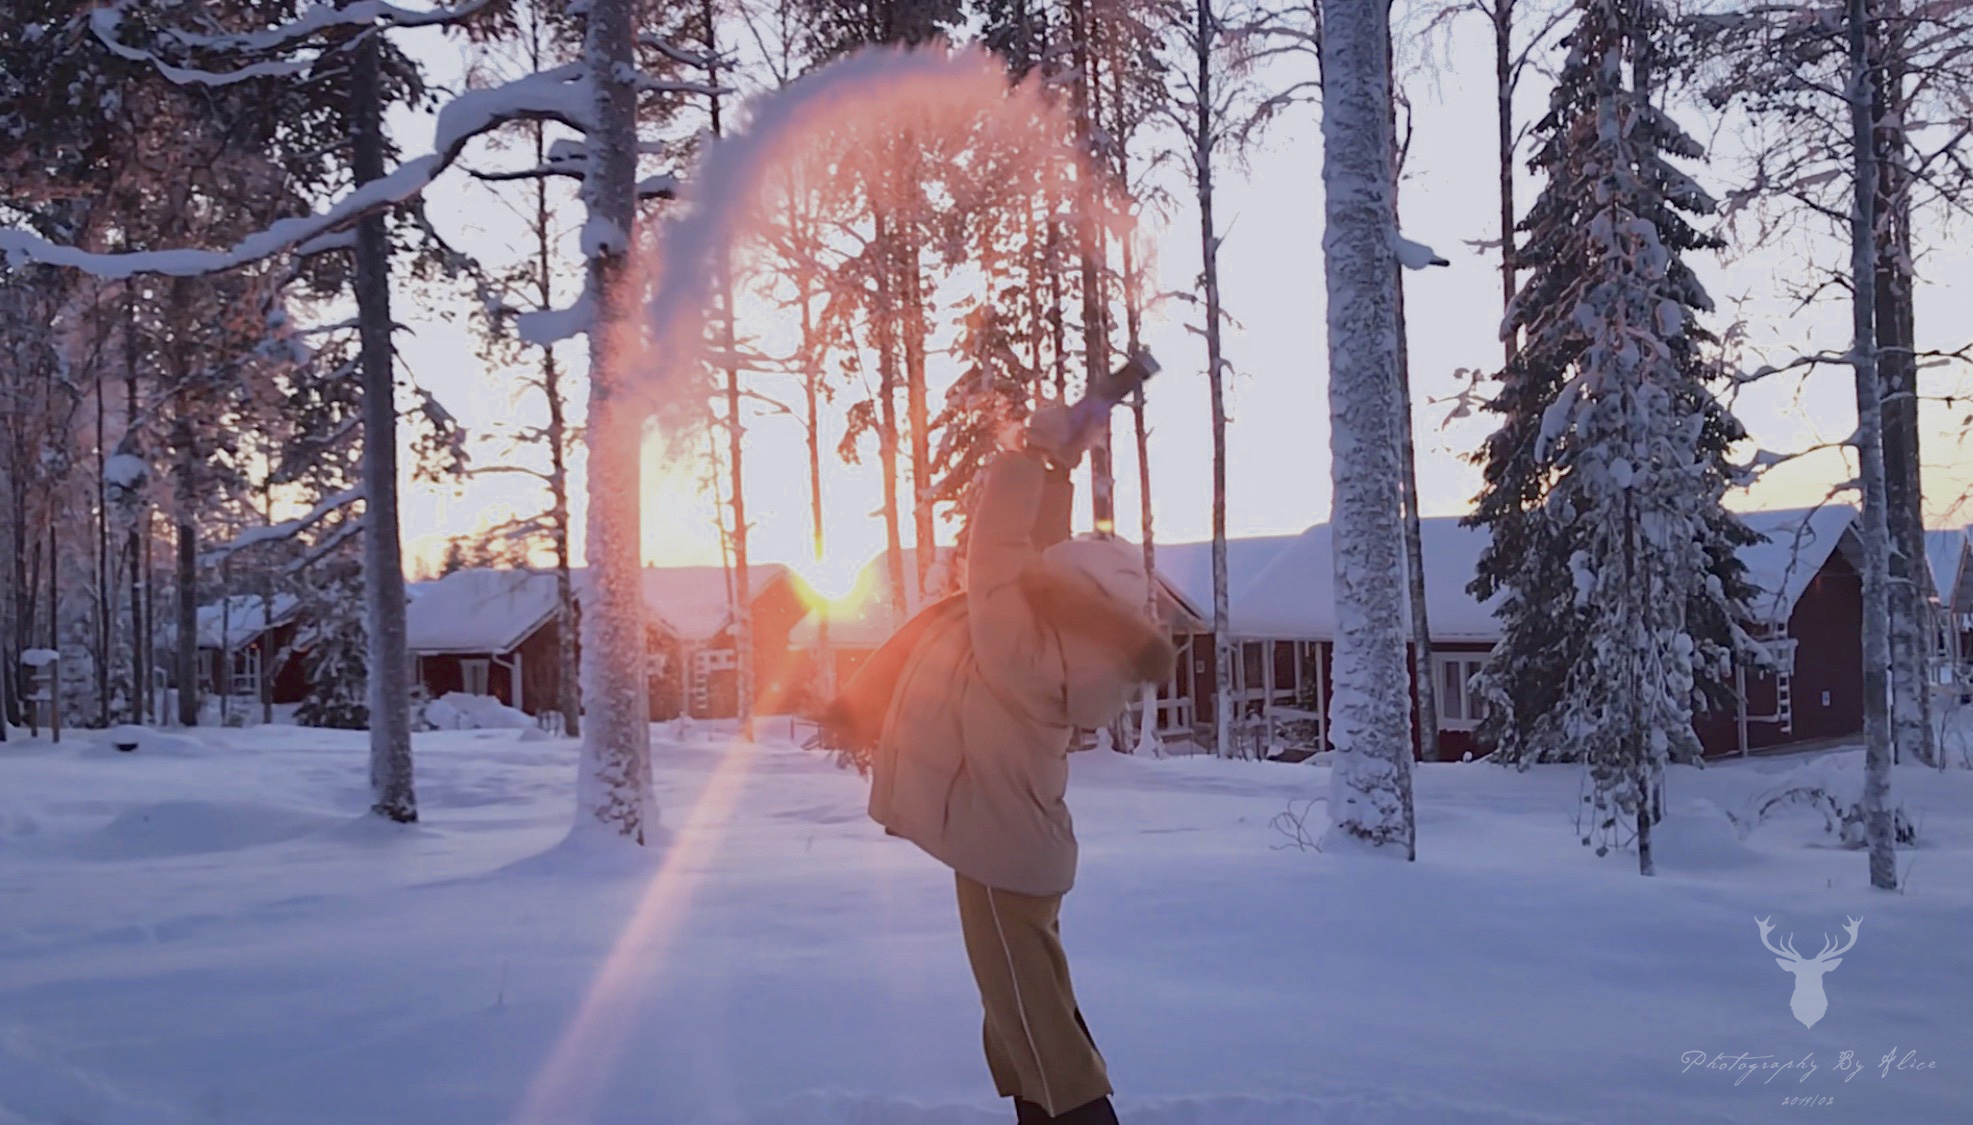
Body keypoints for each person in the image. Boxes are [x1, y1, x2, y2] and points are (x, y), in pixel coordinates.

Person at [860, 406, 1177, 1124]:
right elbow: (1034, 550)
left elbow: (999, 547)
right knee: (1023, 1006)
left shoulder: (1017, 646)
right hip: (1016, 847)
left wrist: (1027, 454)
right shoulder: (1067, 649)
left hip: (1001, 858)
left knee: (1035, 1020)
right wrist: (1056, 471)